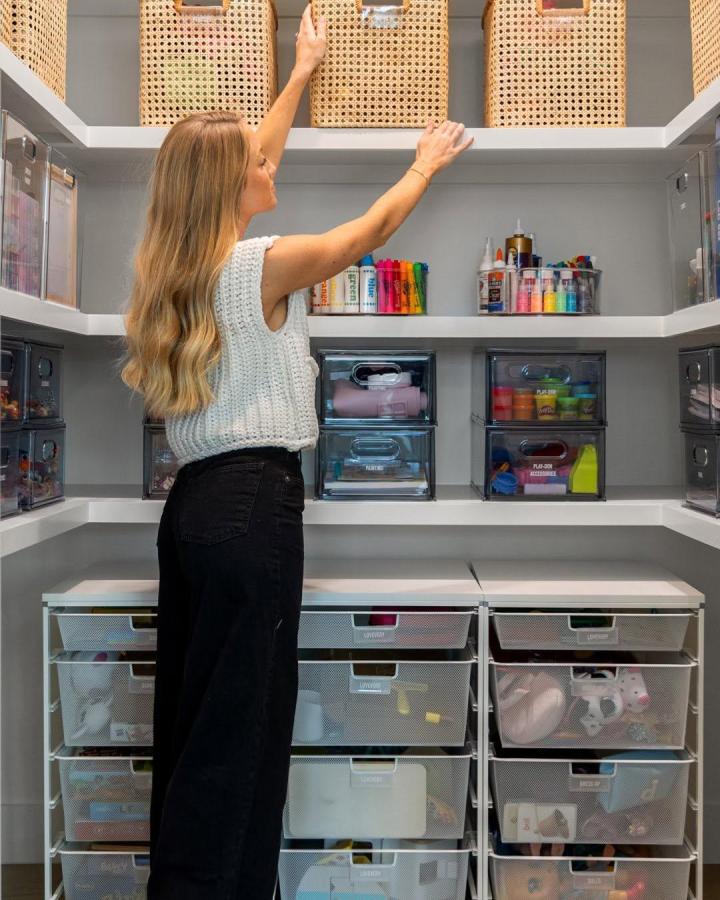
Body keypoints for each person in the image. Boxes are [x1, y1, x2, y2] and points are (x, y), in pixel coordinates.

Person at [122, 6, 472, 897]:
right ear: (231, 184)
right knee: (243, 733)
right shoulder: (261, 264)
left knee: (198, 720)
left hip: (194, 509)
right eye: (257, 161)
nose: (269, 163)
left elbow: (249, 158)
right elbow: (368, 234)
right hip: (252, 507)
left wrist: (301, 72)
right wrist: (424, 163)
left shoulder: (180, 269)